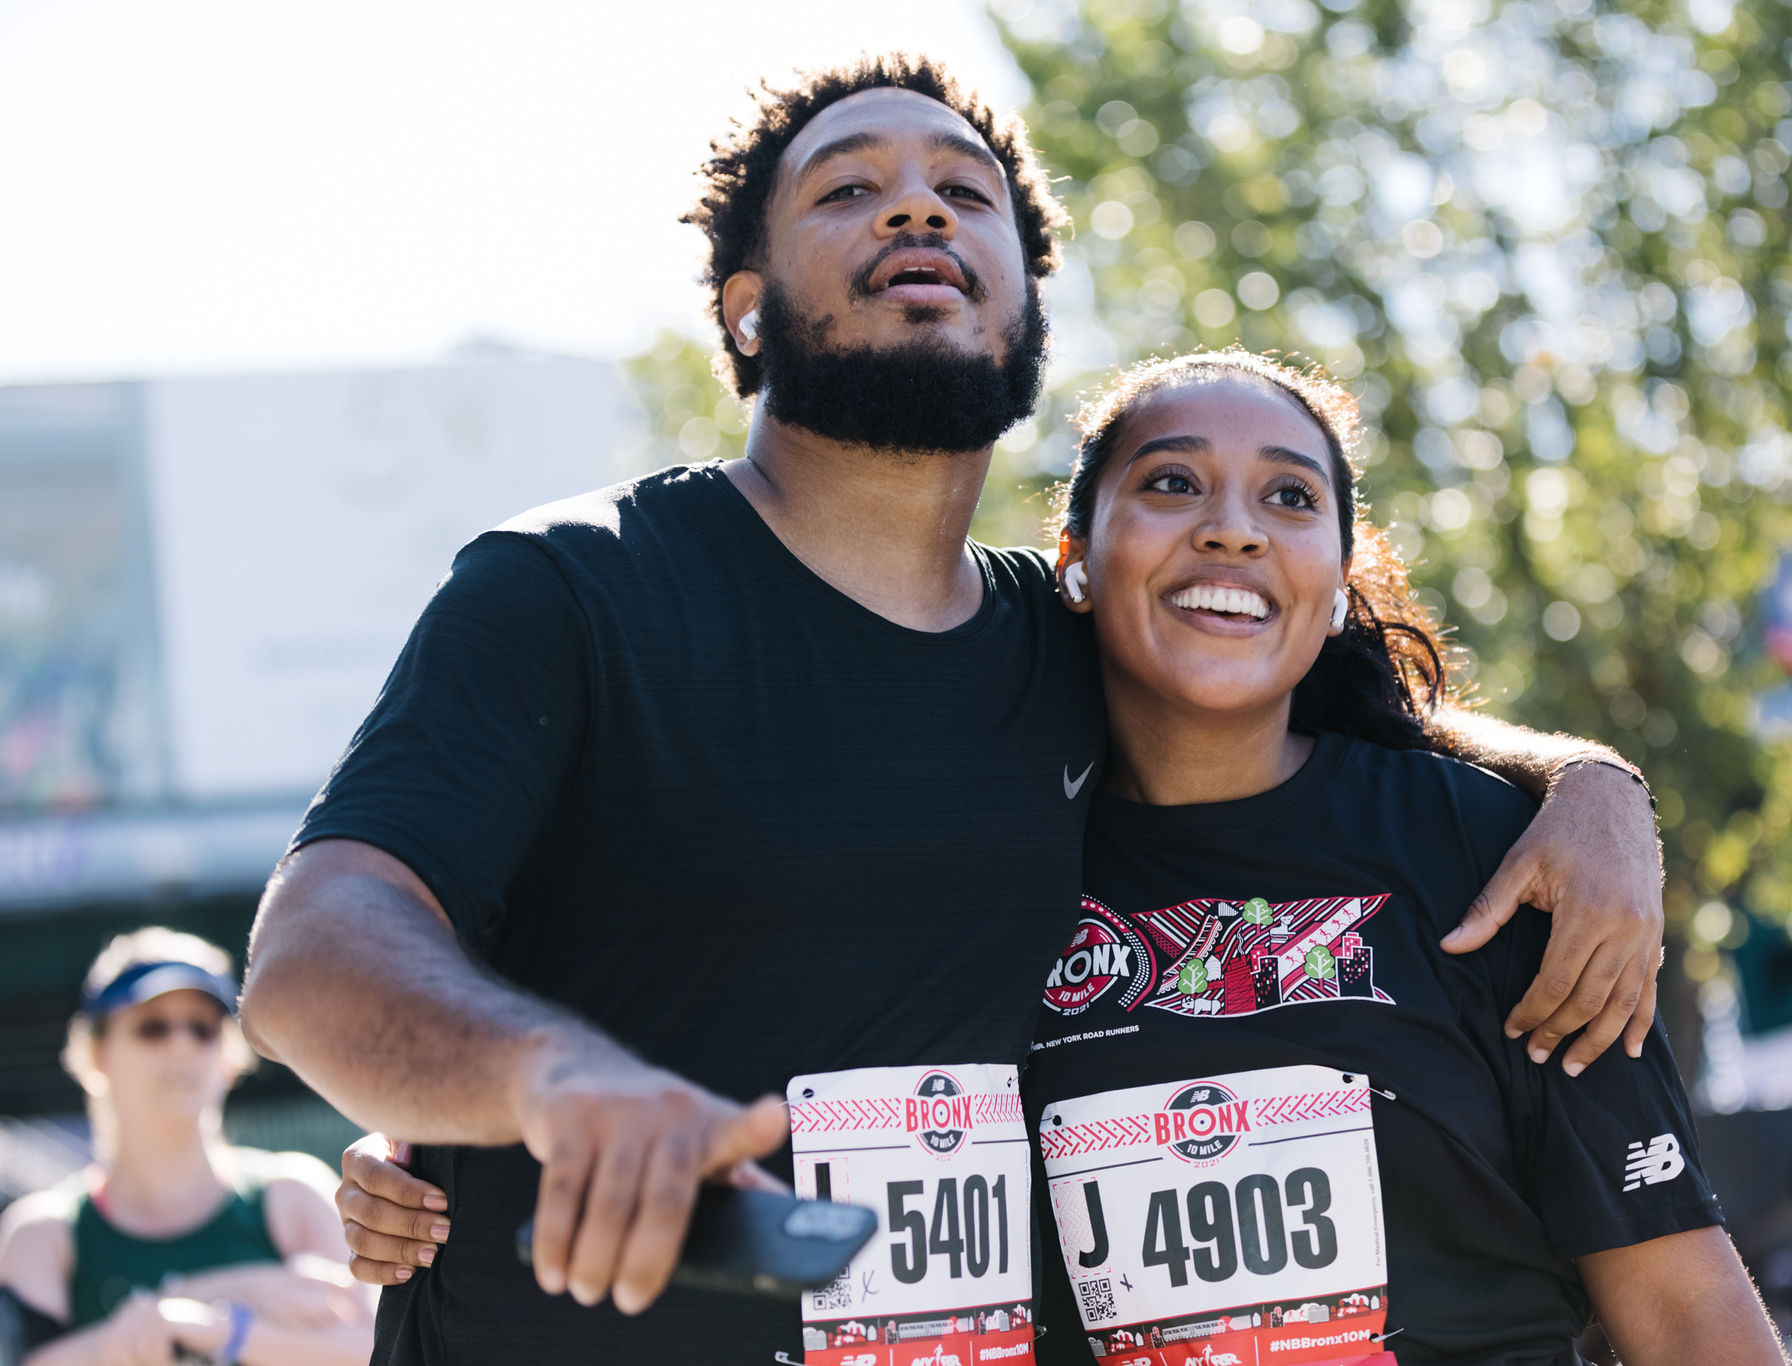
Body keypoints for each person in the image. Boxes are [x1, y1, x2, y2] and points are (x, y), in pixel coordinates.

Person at [239, 56, 1666, 1364]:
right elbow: (313, 953)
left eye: (963, 193)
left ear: (1026, 305)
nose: (916, 207)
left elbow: (1324, 706)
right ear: (745, 307)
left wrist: (1590, 784)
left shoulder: (1072, 644)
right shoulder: (574, 588)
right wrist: (538, 1081)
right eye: (848, 187)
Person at [1019, 352, 1781, 1364]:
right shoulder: (991, 864)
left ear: (1338, 584)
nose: (1233, 529)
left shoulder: (1492, 850)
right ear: (1074, 556)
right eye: (1171, 481)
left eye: (1290, 496)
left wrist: (1598, 779)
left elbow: (1683, 1312)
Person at [0, 929, 373, 1366]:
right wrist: (231, 1294)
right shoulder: (47, 1233)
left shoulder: (294, 1196)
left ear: (230, 1056)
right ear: (96, 1053)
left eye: (202, 1029)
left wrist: (223, 1328)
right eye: (152, 1028)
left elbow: (375, 1350)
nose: (181, 1045)